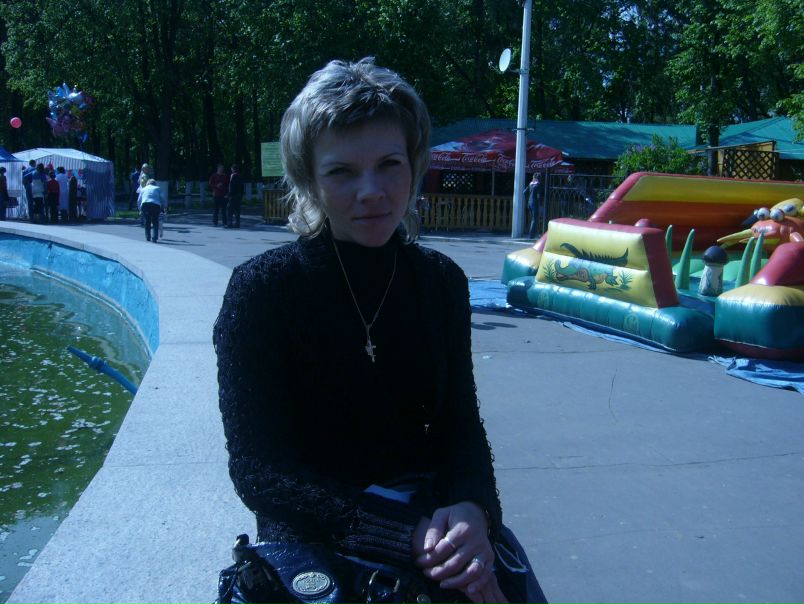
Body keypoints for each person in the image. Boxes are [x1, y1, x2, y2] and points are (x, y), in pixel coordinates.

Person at [214, 58, 547, 604]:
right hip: (318, 539)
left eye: (389, 164)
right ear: (309, 180)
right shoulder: (262, 290)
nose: (371, 191)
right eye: (342, 172)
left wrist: (474, 508)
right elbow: (260, 471)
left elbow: (459, 425)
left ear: (414, 165)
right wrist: (402, 535)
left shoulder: (440, 282)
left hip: (434, 520)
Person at [137, 178, 165, 242]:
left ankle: (148, 237)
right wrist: (163, 207)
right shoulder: (158, 188)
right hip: (155, 205)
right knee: (155, 221)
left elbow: (139, 200)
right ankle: (155, 237)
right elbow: (162, 199)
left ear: (147, 184)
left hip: (145, 205)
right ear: (155, 184)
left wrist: (140, 209)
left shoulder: (143, 189)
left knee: (147, 221)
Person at [226, 164, 244, 228]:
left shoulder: (233, 176)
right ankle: (237, 224)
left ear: (232, 169)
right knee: (237, 210)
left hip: (233, 195)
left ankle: (229, 223)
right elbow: (242, 186)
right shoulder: (240, 176)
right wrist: (241, 194)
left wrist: (229, 194)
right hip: (239, 195)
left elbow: (232, 186)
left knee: (229, 209)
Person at [526, 174, 542, 239]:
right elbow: (538, 196)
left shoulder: (530, 184)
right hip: (535, 203)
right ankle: (531, 236)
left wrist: (529, 198)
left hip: (529, 203)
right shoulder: (538, 185)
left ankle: (535, 233)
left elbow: (524, 192)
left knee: (533, 219)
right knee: (534, 220)